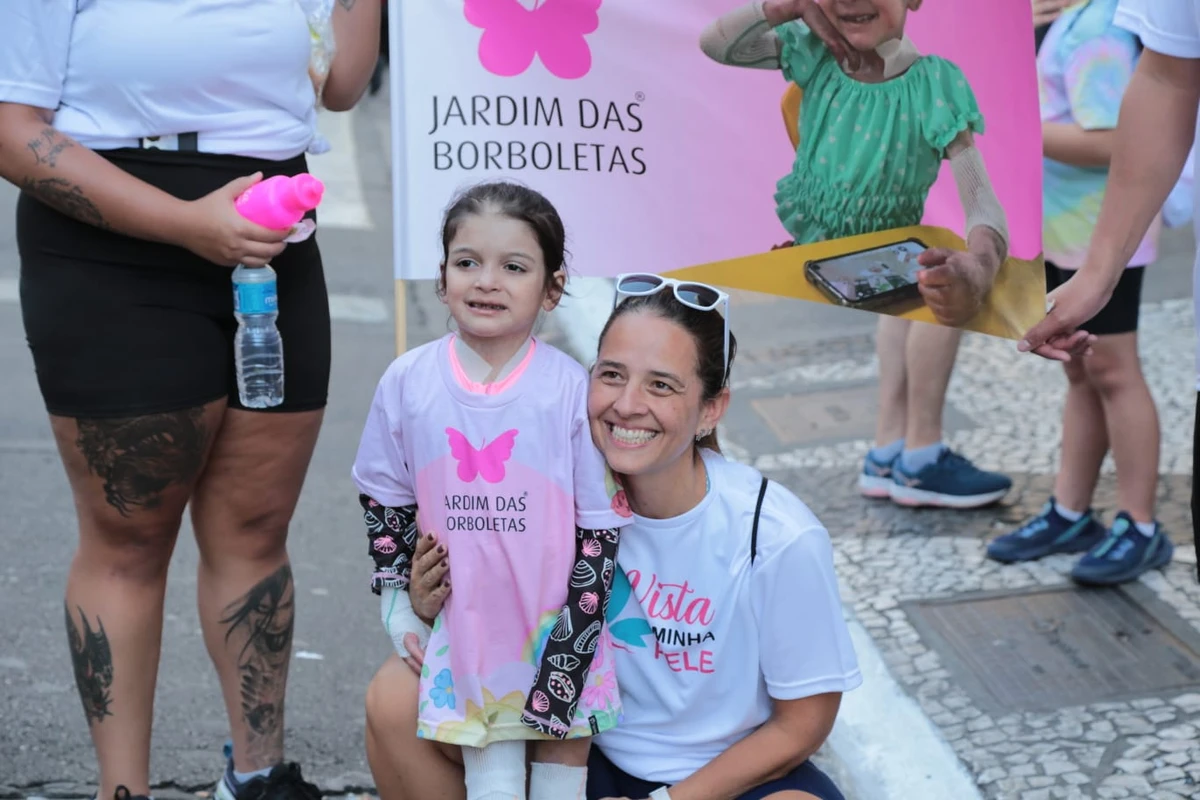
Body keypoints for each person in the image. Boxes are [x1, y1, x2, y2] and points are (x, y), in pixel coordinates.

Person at [0, 2, 380, 800]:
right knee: (128, 539)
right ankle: (123, 790)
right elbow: (12, 126)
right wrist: (184, 225)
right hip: (112, 245)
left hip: (272, 241)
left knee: (254, 529)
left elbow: (342, 85)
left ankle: (257, 776)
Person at [363, 277, 863, 800]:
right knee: (397, 697)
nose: (627, 405)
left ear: (712, 409)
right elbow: (486, 623)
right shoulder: (546, 490)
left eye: (661, 385)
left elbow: (803, 724)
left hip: (722, 779)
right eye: (612, 375)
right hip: (577, 750)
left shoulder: (777, 534)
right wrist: (424, 602)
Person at [351, 181, 628, 800]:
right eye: (467, 262)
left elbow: (599, 529)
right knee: (493, 787)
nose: (486, 281)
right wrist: (398, 606)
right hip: (469, 639)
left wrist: (574, 644)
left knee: (558, 789)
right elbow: (384, 497)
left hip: (559, 638)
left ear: (552, 287)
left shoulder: (568, 392)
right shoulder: (408, 382)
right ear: (442, 276)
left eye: (514, 267)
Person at [700, 0, 1014, 508]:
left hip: (880, 260)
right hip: (810, 256)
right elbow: (717, 43)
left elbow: (982, 201)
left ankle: (908, 451)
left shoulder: (933, 85)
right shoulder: (814, 53)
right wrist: (788, 6)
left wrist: (978, 263)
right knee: (919, 272)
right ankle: (906, 449)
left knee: (936, 269)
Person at [987, 0, 1173, 584]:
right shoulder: (1080, 16)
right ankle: (1071, 510)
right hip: (1066, 234)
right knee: (1081, 371)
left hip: (1102, 239)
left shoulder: (1101, 26)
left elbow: (1117, 140)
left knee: (1115, 373)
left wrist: (1014, 125)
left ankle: (1140, 525)